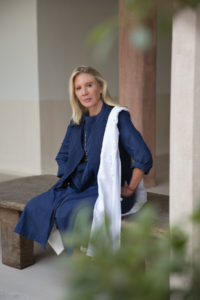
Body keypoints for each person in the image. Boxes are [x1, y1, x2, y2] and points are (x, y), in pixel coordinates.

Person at [14, 65, 153, 255]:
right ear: (75, 94)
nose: (84, 92)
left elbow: (143, 156)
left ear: (100, 87)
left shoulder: (117, 117)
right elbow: (62, 155)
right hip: (78, 186)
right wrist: (70, 175)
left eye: (89, 85)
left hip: (108, 190)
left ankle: (82, 260)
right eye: (78, 88)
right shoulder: (78, 121)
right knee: (37, 205)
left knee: (68, 211)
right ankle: (75, 252)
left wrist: (129, 189)